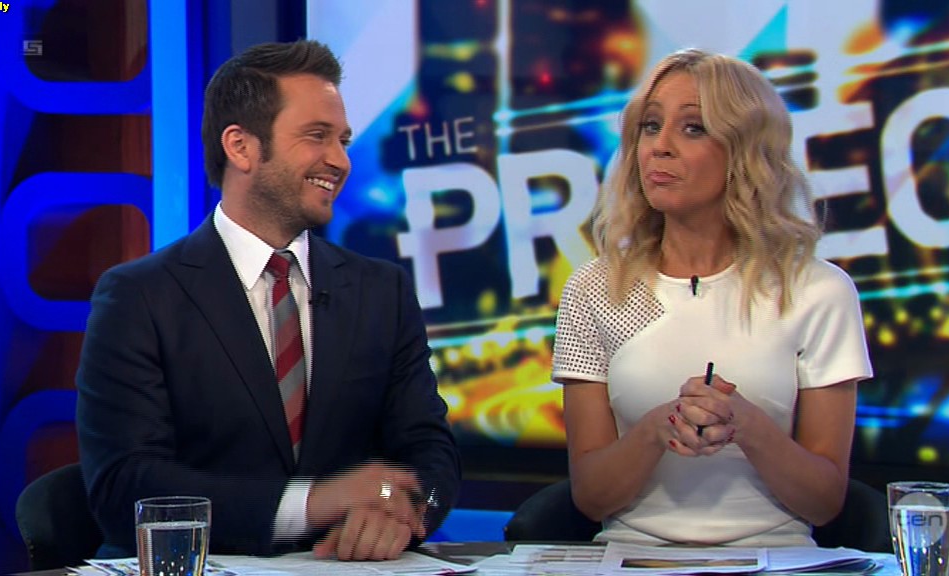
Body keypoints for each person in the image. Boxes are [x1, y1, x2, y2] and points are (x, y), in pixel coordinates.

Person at [76, 40, 460, 561]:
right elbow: (125, 484)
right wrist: (311, 503)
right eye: (317, 136)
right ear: (241, 148)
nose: (340, 161)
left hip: (349, 568)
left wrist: (401, 512)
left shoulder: (381, 291)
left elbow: (430, 451)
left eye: (343, 140)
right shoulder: (140, 297)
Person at [552, 48, 873, 547]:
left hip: (777, 559)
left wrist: (749, 427)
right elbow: (590, 498)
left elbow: (825, 502)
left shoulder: (816, 290)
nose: (659, 147)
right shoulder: (596, 288)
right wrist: (656, 430)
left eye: (693, 128)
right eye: (650, 126)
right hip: (631, 558)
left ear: (746, 151)